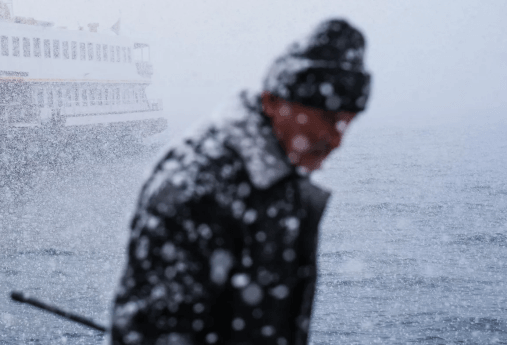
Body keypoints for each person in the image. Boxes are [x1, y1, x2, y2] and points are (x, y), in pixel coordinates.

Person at [111, 19, 371, 345]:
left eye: (347, 123)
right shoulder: (198, 187)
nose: (336, 140)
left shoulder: (274, 173)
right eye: (326, 120)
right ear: (273, 102)